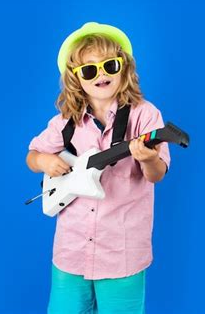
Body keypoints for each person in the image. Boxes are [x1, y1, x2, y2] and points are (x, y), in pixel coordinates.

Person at [26, 22, 171, 314]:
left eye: (110, 65)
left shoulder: (145, 115)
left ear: (124, 68)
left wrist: (146, 158)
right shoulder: (66, 121)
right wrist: (44, 161)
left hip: (122, 253)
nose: (101, 74)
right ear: (76, 79)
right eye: (89, 70)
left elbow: (156, 174)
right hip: (72, 249)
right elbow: (32, 155)